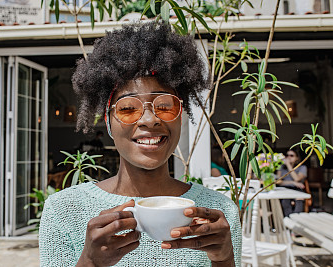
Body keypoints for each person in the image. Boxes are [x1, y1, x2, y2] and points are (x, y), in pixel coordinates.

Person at [39, 22, 241, 267]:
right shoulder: (64, 210)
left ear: (181, 116)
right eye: (128, 109)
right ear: (108, 121)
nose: (150, 119)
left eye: (165, 106)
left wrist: (224, 258)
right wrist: (90, 261)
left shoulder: (218, 211)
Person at [276, 149, 307, 217]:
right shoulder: (281, 167)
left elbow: (297, 179)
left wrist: (289, 165)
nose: (288, 157)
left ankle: (296, 219)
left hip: (297, 189)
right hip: (284, 189)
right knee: (285, 200)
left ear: (297, 158)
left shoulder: (302, 167)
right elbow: (278, 182)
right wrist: (293, 183)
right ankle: (288, 220)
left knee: (299, 199)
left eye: (291, 155)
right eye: (287, 155)